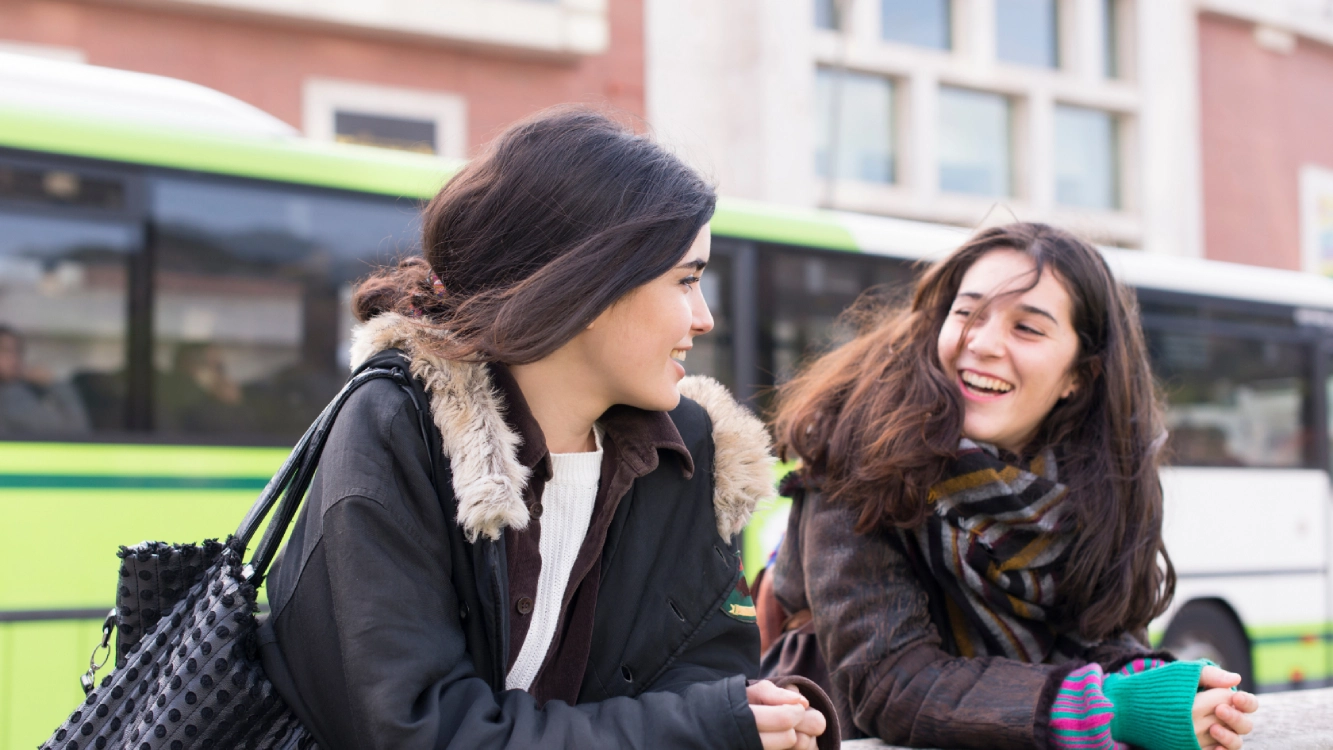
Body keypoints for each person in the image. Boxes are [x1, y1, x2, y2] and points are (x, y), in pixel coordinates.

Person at [262, 108, 831, 750]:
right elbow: (419, 730)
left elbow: (709, 678)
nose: (704, 318)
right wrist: (701, 727)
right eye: (686, 281)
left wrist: (750, 720)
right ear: (589, 284)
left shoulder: (692, 449)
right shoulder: (398, 427)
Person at [761, 223, 1259, 750]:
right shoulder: (858, 449)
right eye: (967, 313)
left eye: (1027, 328)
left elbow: (1106, 635)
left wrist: (1164, 688)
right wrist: (1107, 707)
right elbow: (889, 681)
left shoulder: (1109, 483)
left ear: (1080, 375)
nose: (982, 343)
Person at [0, 324, 90, 435]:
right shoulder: (12, 397)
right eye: (5, 350)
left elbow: (77, 428)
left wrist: (53, 383)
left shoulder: (31, 392)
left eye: (18, 351)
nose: (14, 358)